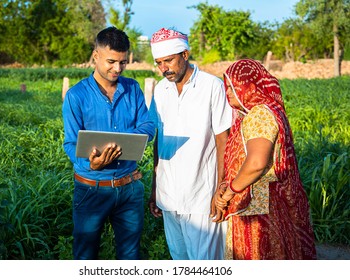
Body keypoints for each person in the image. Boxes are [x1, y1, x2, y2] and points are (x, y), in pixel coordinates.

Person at [62, 26, 155, 260]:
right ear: (96, 56)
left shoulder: (132, 88)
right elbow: (71, 143)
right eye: (111, 61)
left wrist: (133, 139)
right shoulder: (76, 96)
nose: (117, 69)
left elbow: (147, 125)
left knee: (131, 255)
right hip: (91, 188)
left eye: (123, 63)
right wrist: (90, 163)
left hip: (129, 188)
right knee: (85, 256)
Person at [213, 59, 317, 260]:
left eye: (234, 86)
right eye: (227, 86)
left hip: (257, 206)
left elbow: (256, 163)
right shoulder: (272, 110)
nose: (228, 92)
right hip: (272, 201)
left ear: (250, 87)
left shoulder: (259, 114)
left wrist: (230, 192)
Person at [148, 28, 233, 260]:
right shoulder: (160, 90)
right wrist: (155, 187)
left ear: (185, 55)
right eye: (158, 63)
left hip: (201, 195)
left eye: (169, 60)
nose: (164, 68)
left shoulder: (212, 86)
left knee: (205, 263)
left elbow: (223, 139)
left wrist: (221, 187)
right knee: (179, 258)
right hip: (168, 194)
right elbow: (159, 139)